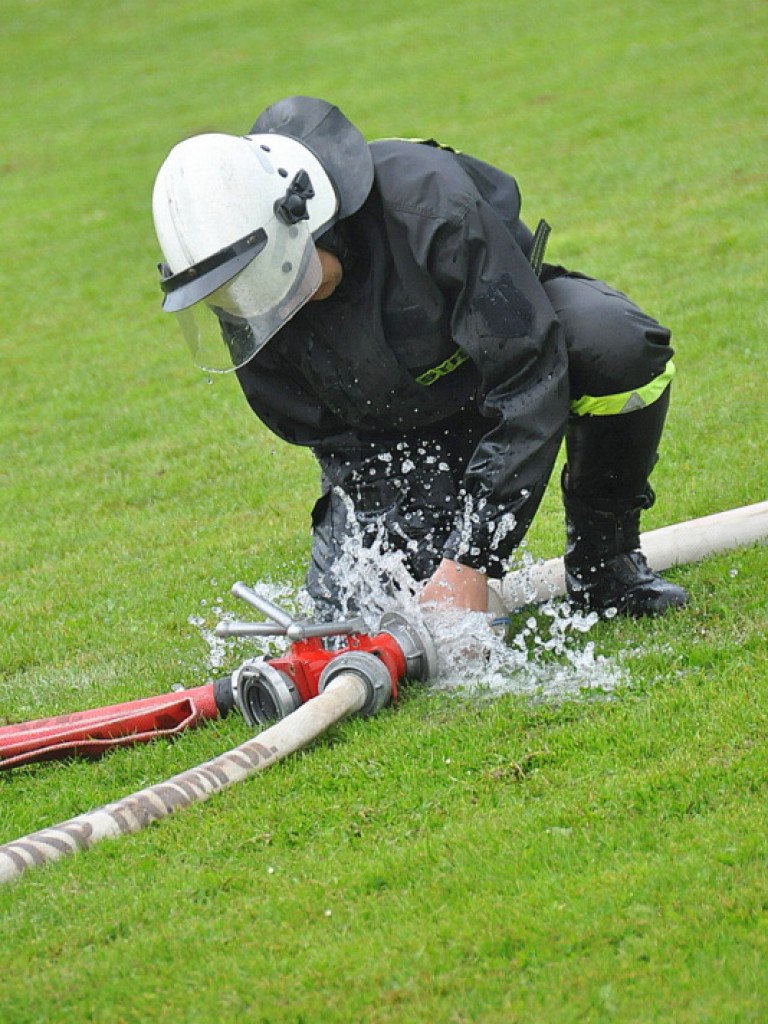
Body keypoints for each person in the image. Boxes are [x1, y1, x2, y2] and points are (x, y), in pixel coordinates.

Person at [152, 96, 689, 620]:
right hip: (398, 434)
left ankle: (605, 564)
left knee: (615, 345)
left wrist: (472, 559)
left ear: (308, 222)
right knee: (367, 614)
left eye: (289, 284)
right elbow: (334, 439)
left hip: (506, 365)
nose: (280, 309)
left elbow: (528, 370)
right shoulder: (245, 295)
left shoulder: (430, 206)